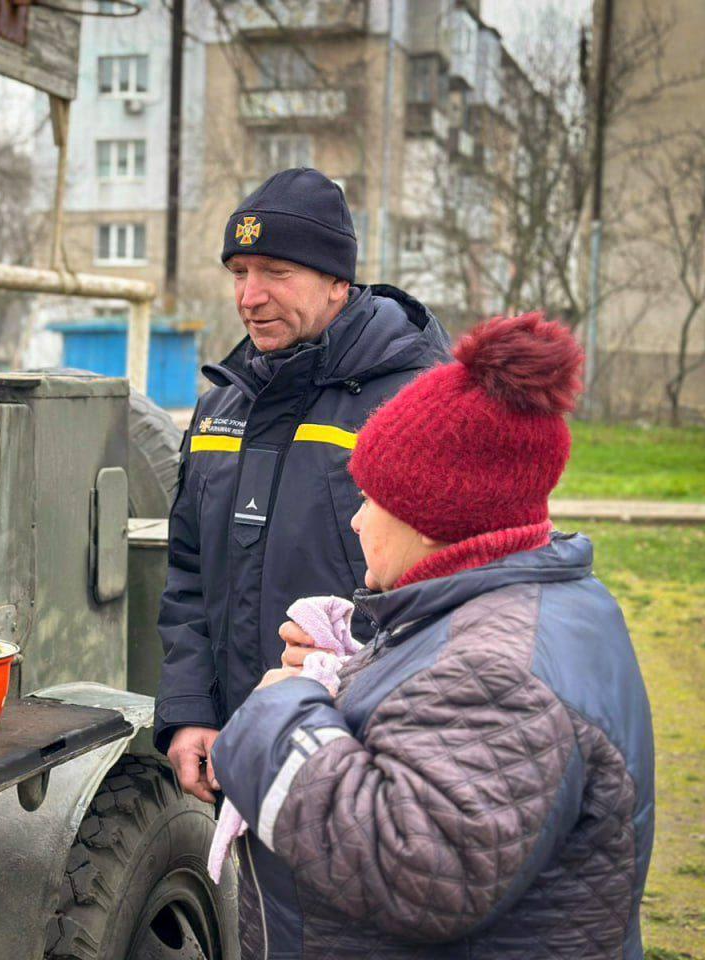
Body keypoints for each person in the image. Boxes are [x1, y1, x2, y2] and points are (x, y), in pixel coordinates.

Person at [211, 313, 656, 959]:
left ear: (430, 518)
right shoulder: (542, 601)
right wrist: (357, 674)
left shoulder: (495, 675)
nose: (359, 521)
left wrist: (280, 712)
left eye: (369, 498)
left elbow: (417, 869)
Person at [154, 168, 450, 804]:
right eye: (239, 273)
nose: (250, 296)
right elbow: (188, 578)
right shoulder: (218, 409)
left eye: (275, 272)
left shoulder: (416, 405)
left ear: (338, 281)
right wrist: (190, 710)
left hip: (364, 760)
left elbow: (453, 594)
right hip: (238, 745)